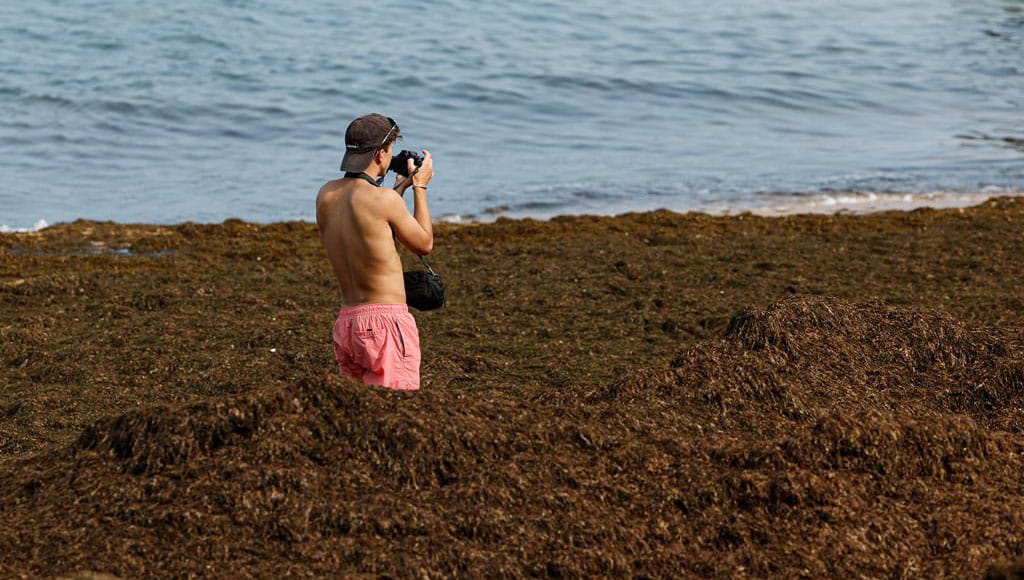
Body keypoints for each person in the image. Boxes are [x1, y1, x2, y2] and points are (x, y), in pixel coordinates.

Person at [315, 113, 434, 390]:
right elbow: (424, 244)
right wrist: (420, 186)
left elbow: (370, 234)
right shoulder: (384, 201)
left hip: (348, 324)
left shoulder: (326, 195)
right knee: (397, 411)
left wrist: (397, 192)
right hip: (386, 325)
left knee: (359, 415)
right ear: (381, 154)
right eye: (390, 151)